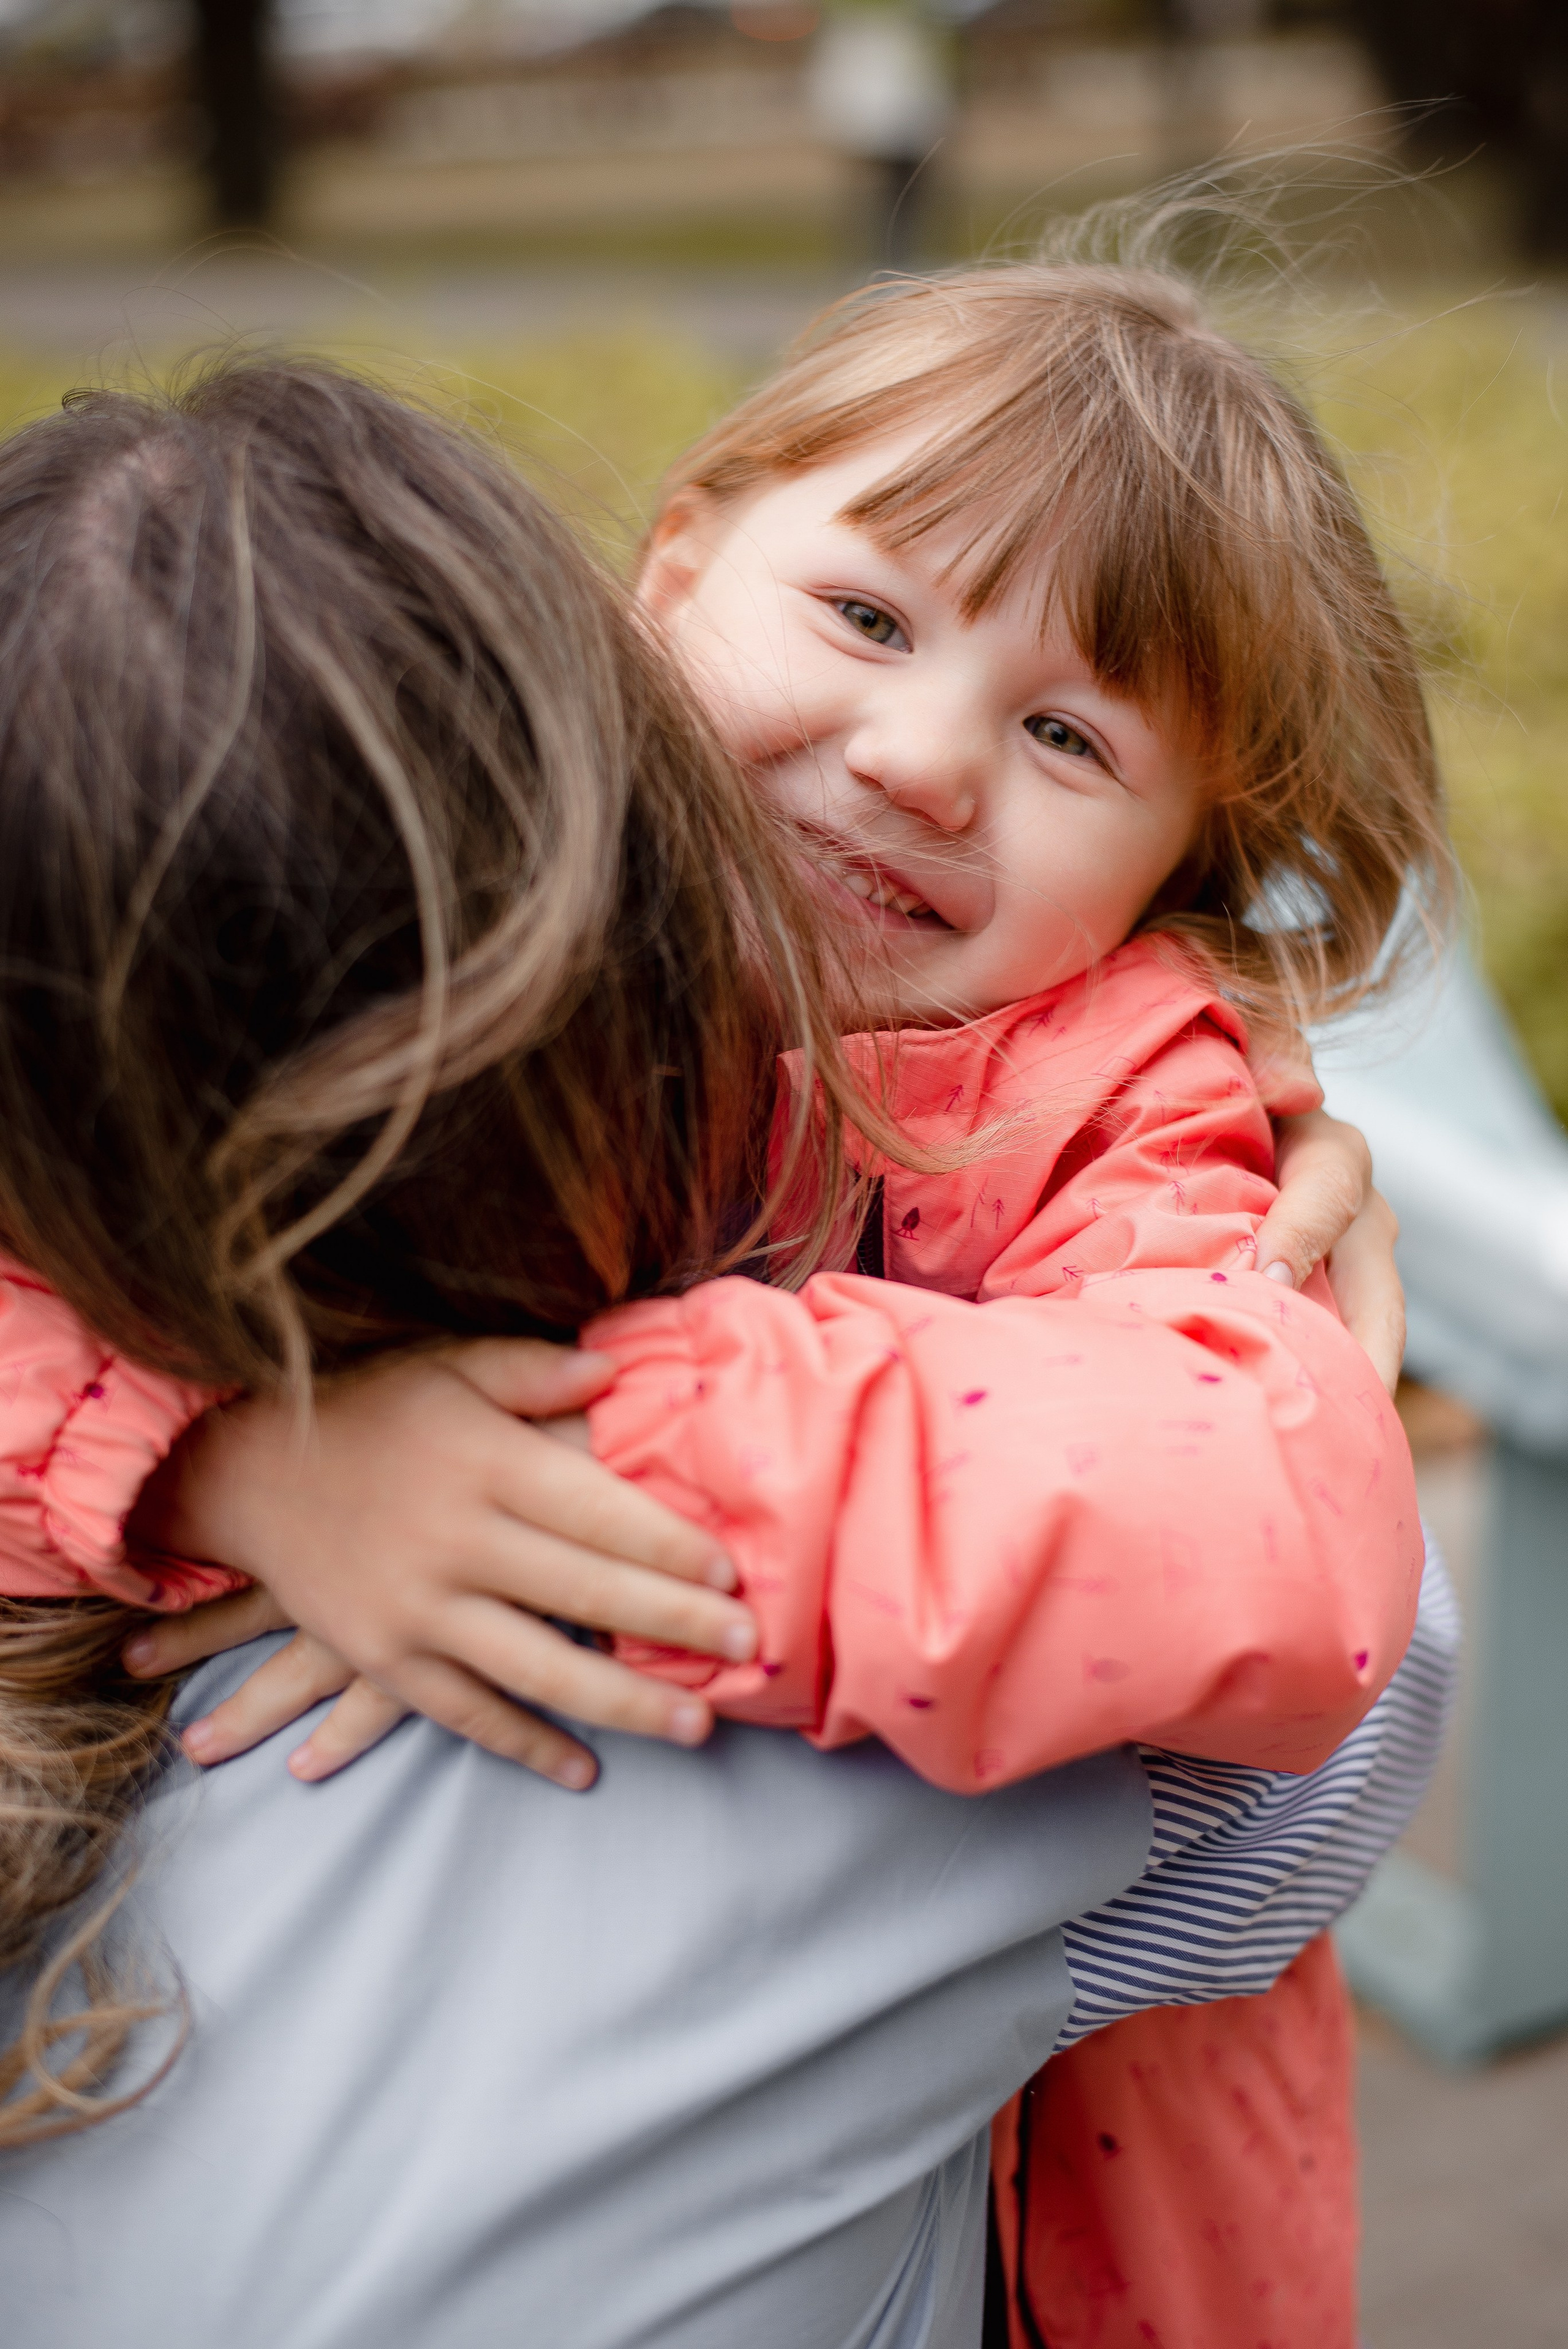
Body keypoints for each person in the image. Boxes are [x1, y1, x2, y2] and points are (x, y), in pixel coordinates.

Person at [1, 249, 1447, 2342]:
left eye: (1068, 733)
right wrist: (231, 1457)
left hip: (1079, 2212)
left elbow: (1279, 1527)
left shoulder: (1104, 1091)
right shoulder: (456, 854)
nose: (930, 760)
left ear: (1178, 863)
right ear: (675, 560)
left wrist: (589, 1438)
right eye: (865, 616)